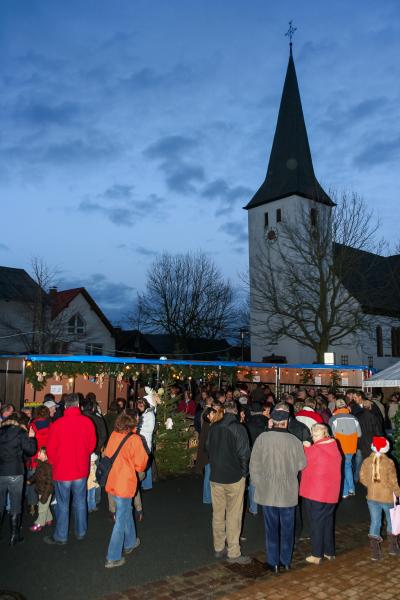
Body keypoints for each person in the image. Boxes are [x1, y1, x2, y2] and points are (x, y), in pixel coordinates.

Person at [250, 407, 306, 573]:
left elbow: (254, 465)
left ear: (271, 421)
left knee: (271, 528)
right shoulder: (294, 440)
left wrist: (258, 483)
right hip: (288, 491)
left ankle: (273, 561)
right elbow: (302, 464)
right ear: (286, 422)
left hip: (268, 490)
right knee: (288, 529)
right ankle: (286, 561)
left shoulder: (262, 439)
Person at [44, 393, 96, 545]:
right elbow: (92, 445)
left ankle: (61, 536)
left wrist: (54, 462)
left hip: (62, 471)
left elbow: (51, 449)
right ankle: (81, 531)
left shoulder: (57, 424)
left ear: (65, 406)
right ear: (78, 405)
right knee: (80, 501)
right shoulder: (87, 422)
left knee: (62, 503)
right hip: (80, 469)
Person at [206, 401, 251, 564]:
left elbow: (207, 448)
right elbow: (245, 454)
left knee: (218, 513)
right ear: (237, 412)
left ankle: (218, 547)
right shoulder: (239, 428)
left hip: (216, 476)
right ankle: (233, 552)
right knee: (234, 515)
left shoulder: (214, 427)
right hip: (234, 478)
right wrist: (244, 474)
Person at [103, 412, 148, 568]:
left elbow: (107, 454)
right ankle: (113, 557)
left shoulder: (114, 435)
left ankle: (130, 542)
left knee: (125, 511)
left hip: (113, 480)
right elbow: (141, 464)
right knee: (121, 520)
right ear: (131, 425)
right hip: (125, 482)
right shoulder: (134, 439)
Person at [300, 424, 342, 564]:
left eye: (316, 435)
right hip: (331, 494)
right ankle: (329, 551)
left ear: (324, 434)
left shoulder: (315, 450)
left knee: (316, 523)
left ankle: (317, 555)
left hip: (316, 493)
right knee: (327, 522)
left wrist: (305, 446)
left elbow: (302, 460)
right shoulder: (334, 446)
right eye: (313, 435)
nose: (313, 438)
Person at [359, 436, 400, 560]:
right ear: (386, 447)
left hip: (372, 496)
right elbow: (393, 481)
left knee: (375, 521)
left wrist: (371, 486)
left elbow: (362, 478)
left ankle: (375, 553)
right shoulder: (389, 462)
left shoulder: (366, 461)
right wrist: (398, 493)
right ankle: (393, 548)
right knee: (391, 520)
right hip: (387, 497)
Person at [0, 412, 37, 545]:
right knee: (15, 504)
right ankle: (14, 536)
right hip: (15, 472)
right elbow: (31, 451)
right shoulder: (21, 432)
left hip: (1, 471)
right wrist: (32, 437)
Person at [329, 398, 361, 498]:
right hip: (351, 448)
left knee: (342, 469)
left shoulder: (333, 419)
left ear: (336, 407)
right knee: (348, 467)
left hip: (339, 448)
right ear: (346, 406)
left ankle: (345, 491)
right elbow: (359, 434)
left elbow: (332, 435)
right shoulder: (354, 418)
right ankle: (352, 489)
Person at [26, 404, 52, 516]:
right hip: (47, 458)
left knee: (33, 481)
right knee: (47, 482)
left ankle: (32, 505)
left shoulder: (31, 426)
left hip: (34, 458)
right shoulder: (52, 425)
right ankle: (45, 504)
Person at [244, 401, 268, 515]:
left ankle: (254, 508)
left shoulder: (247, 424)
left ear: (252, 411)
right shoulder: (268, 422)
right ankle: (265, 505)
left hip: (253, 455)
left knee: (253, 481)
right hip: (266, 455)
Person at [28, 447, 53, 532]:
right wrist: (30, 480)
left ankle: (38, 524)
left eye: (40, 453)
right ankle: (49, 519)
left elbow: (49, 483)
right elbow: (36, 475)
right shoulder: (40, 464)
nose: (38, 454)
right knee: (45, 506)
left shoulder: (48, 467)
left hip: (46, 492)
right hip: (40, 490)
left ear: (46, 455)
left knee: (42, 508)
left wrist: (45, 495)